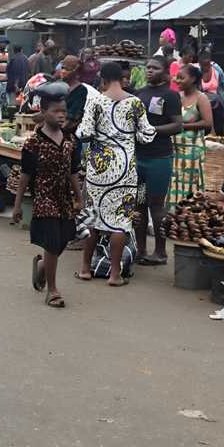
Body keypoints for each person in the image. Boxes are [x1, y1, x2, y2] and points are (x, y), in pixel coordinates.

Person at [75, 63, 155, 286]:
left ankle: (84, 269)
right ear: (123, 78)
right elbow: (147, 135)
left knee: (92, 216)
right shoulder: (135, 102)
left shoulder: (95, 100)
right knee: (120, 221)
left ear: (102, 79)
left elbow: (84, 132)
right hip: (125, 168)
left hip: (98, 167)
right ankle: (115, 274)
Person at [13, 88, 84, 308]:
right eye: (55, 111)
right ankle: (52, 290)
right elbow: (25, 176)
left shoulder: (70, 140)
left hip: (64, 198)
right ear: (43, 112)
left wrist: (79, 197)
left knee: (64, 239)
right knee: (52, 242)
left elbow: (73, 172)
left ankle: (43, 266)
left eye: (63, 112)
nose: (61, 115)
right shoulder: (33, 143)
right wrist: (17, 205)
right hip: (44, 198)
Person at [134, 57, 184, 265]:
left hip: (159, 159)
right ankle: (141, 249)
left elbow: (177, 125)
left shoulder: (171, 96)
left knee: (156, 205)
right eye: (148, 68)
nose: (150, 71)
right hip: (138, 157)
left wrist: (152, 130)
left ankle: (161, 252)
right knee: (138, 203)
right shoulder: (139, 94)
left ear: (166, 73)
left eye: (155, 68)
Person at [170, 63, 214, 208]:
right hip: (175, 151)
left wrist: (184, 126)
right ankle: (175, 218)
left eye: (182, 78)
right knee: (175, 184)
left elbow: (208, 123)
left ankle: (191, 217)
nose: (177, 80)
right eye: (177, 77)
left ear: (193, 79)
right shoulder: (177, 97)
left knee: (190, 184)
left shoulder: (201, 98)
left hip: (192, 152)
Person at [197, 49, 224, 136]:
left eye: (208, 64)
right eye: (203, 65)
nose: (206, 67)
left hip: (218, 104)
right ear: (200, 63)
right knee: (206, 129)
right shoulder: (196, 71)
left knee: (219, 130)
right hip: (203, 105)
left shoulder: (216, 68)